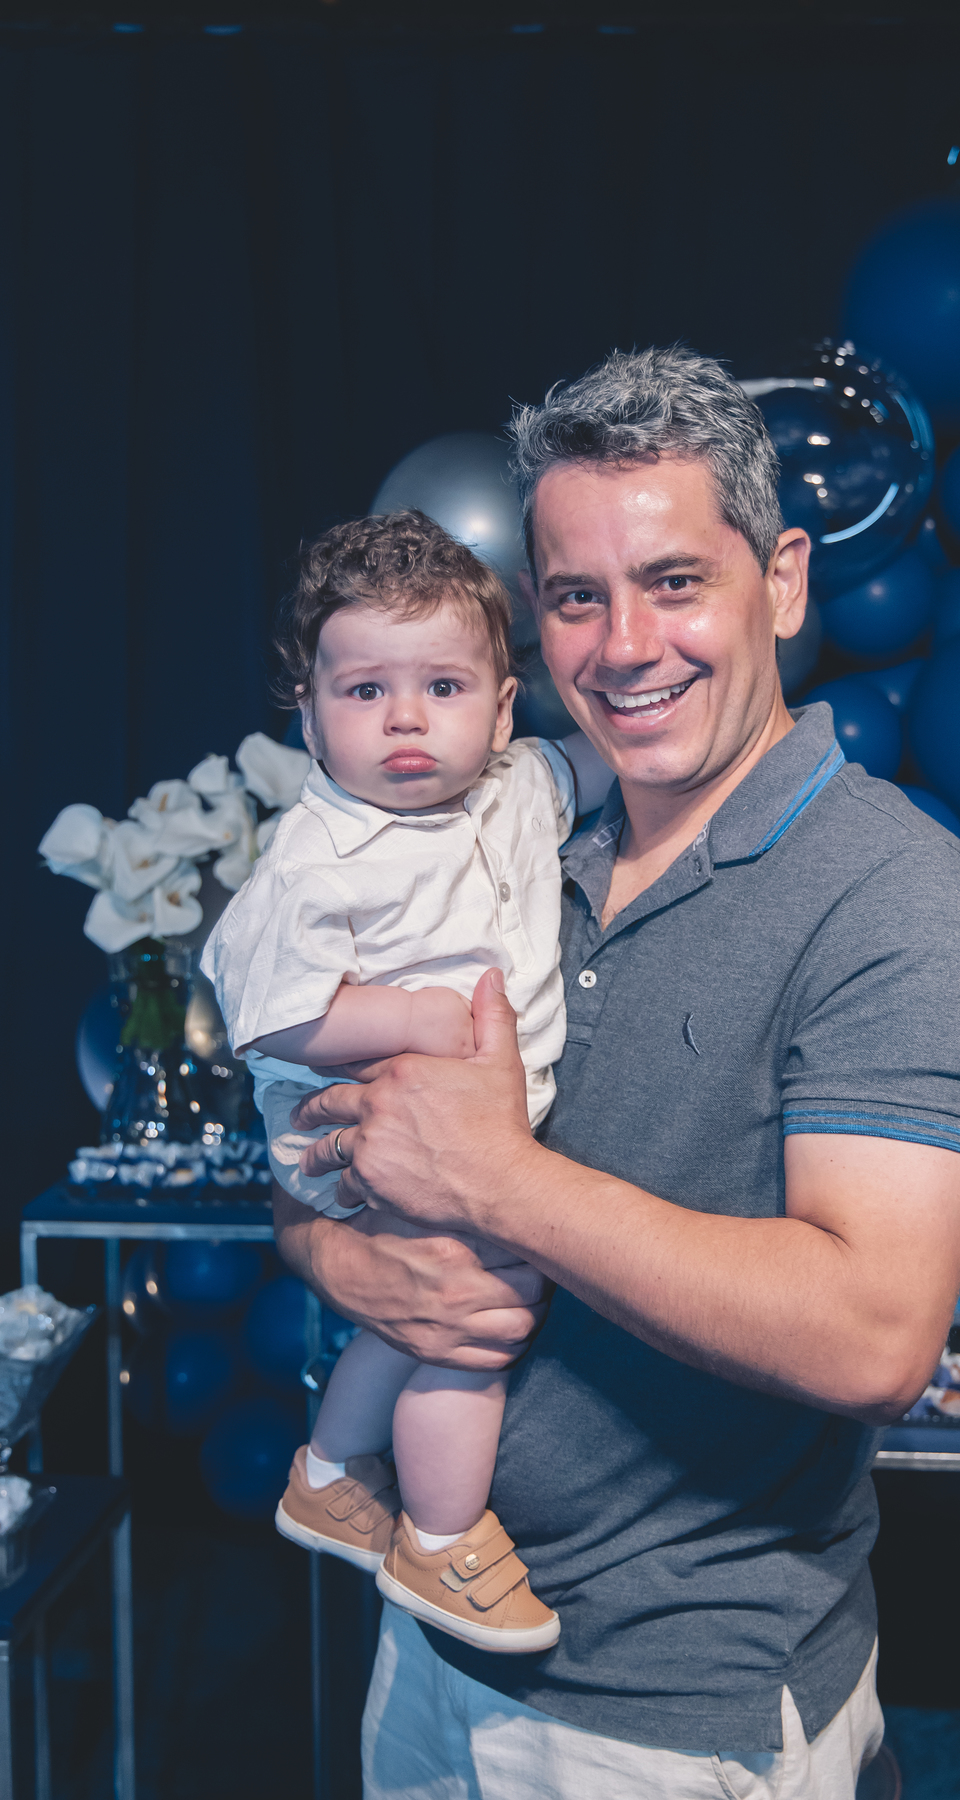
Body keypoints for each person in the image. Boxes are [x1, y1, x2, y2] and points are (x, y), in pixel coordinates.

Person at [274, 347, 960, 1799]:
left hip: (676, 1713)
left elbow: (877, 1338)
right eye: (577, 596)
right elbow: (324, 1145)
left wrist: (499, 1183)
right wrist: (336, 1256)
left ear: (782, 584)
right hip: (436, 1632)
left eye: (676, 582)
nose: (626, 645)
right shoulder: (499, 829)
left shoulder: (897, 898)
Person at [203, 510, 610, 1653]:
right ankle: (441, 1537)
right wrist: (419, 1019)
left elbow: (598, 762)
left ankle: (332, 1472)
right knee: (472, 1323)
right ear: (310, 715)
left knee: (430, 1303)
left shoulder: (515, 787)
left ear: (502, 708)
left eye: (443, 687)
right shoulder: (316, 857)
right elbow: (271, 1012)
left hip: (465, 1128)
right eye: (365, 691)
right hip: (362, 1132)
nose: (407, 719)